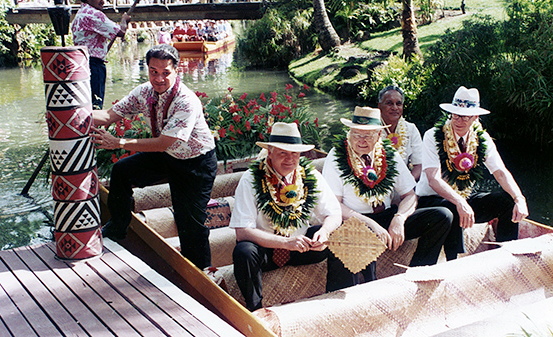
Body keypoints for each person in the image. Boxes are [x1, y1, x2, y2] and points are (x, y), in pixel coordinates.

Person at [91, 44, 217, 270]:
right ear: (148, 69)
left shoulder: (186, 100)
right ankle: (118, 228)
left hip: (196, 163)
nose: (159, 78)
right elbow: (108, 116)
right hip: (168, 156)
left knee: (190, 224)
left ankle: (202, 274)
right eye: (153, 72)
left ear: (177, 71)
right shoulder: (143, 92)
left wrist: (118, 143)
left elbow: (164, 142)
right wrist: (71, 114)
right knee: (122, 171)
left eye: (165, 73)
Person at [322, 106, 452, 287]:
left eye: (368, 135)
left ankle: (418, 273)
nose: (361, 140)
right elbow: (335, 206)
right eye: (357, 134)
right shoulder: (336, 156)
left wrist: (399, 218)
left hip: (387, 216)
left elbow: (410, 194)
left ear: (378, 136)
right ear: (349, 133)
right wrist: (371, 225)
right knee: (347, 240)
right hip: (355, 221)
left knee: (442, 216)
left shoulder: (388, 153)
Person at [229, 122, 342, 311]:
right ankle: (255, 309)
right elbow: (242, 231)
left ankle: (336, 298)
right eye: (283, 153)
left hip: (303, 248)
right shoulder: (250, 179)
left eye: (295, 154)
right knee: (243, 251)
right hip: (267, 251)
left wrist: (325, 231)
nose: (290, 159)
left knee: (338, 236)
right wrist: (285, 243)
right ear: (270, 152)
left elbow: (334, 213)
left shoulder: (310, 175)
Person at [416, 86, 529, 261]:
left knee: (505, 201)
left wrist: (519, 198)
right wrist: (460, 202)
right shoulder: (433, 135)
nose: (459, 120)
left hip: (464, 197)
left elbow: (500, 172)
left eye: (465, 116)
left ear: (475, 117)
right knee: (452, 208)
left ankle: (506, 258)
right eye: (455, 114)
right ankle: (453, 261)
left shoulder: (482, 139)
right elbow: (433, 178)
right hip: (431, 200)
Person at [71, 0, 130, 110]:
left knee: (85, 103)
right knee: (96, 103)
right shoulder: (93, 14)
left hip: (81, 64)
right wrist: (124, 20)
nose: (102, 1)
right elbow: (121, 32)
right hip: (93, 65)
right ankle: (94, 127)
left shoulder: (80, 13)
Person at [378, 85, 423, 181]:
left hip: (406, 183)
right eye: (389, 103)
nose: (395, 108)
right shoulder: (371, 130)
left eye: (398, 104)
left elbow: (419, 165)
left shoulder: (411, 129)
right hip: (377, 185)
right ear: (379, 106)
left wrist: (407, 184)